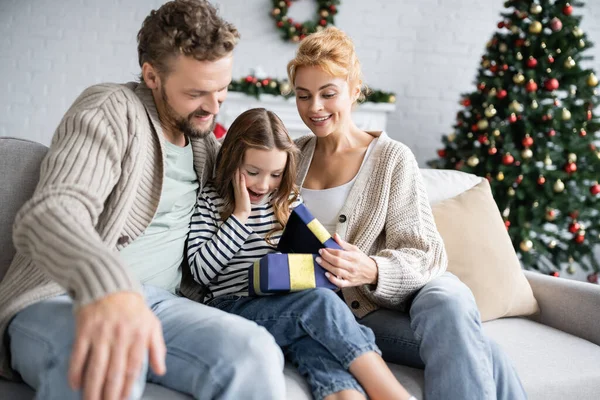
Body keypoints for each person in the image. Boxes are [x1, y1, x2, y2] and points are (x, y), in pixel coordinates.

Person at [0, 1, 286, 399]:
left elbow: (267, 168)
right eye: (196, 93)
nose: (213, 106)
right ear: (152, 75)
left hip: (161, 305)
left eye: (222, 90)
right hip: (65, 295)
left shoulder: (204, 143)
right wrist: (110, 289)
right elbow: (51, 214)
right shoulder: (111, 110)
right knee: (106, 359)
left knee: (253, 352)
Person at [287, 27, 527, 400]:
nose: (314, 107)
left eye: (327, 93)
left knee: (448, 296)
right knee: (486, 353)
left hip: (389, 298)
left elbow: (426, 253)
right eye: (303, 96)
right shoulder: (291, 156)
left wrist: (373, 269)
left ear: (354, 90)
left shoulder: (390, 158)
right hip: (342, 312)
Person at [187, 107, 415, 400]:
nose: (263, 184)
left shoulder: (287, 199)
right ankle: (393, 394)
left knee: (316, 346)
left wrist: (326, 257)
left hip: (283, 306)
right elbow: (201, 273)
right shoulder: (211, 201)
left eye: (275, 174)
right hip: (230, 305)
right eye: (252, 172)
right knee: (317, 304)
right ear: (232, 162)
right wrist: (240, 217)